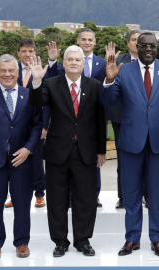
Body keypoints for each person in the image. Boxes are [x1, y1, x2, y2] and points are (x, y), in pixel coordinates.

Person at [101, 32, 159, 257]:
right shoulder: (123, 70)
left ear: (157, 48)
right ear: (136, 47)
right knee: (131, 193)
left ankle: (157, 239)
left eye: (152, 45)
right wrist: (109, 80)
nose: (148, 49)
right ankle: (132, 238)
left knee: (157, 194)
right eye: (143, 45)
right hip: (130, 141)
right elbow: (108, 101)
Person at [28, 46, 107, 257]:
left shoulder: (95, 86)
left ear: (83, 64)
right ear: (63, 64)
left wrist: (101, 150)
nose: (73, 63)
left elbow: (100, 120)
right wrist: (36, 81)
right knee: (56, 199)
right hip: (57, 151)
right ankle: (60, 241)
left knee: (86, 198)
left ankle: (82, 240)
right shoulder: (51, 83)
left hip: (86, 151)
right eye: (69, 59)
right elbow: (36, 102)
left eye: (77, 60)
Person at [48, 28, 105, 207]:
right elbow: (52, 84)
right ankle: (71, 196)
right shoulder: (66, 63)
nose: (87, 42)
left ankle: (94, 194)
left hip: (91, 118)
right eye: (84, 39)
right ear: (78, 41)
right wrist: (51, 61)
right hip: (67, 122)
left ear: (94, 42)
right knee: (69, 163)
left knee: (91, 160)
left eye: (90, 39)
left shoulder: (103, 63)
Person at [4, 38, 57, 209]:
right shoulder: (11, 70)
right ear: (18, 53)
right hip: (15, 125)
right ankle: (14, 195)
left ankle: (40, 194)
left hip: (37, 124)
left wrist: (44, 125)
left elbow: (48, 101)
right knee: (13, 159)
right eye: (24, 51)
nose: (27, 54)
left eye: (31, 51)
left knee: (36, 161)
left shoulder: (43, 71)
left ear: (35, 52)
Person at [0, 54, 42, 258]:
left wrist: (28, 149)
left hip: (22, 159)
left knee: (23, 203)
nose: (7, 74)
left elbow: (37, 125)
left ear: (18, 72)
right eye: (3, 71)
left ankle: (22, 242)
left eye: (11, 70)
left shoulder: (28, 95)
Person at [104, 30, 150, 210]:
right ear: (129, 43)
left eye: (141, 40)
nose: (137, 43)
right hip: (122, 119)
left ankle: (147, 196)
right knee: (124, 160)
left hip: (145, 119)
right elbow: (108, 88)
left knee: (147, 159)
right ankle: (123, 197)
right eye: (134, 40)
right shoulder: (117, 61)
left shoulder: (152, 62)